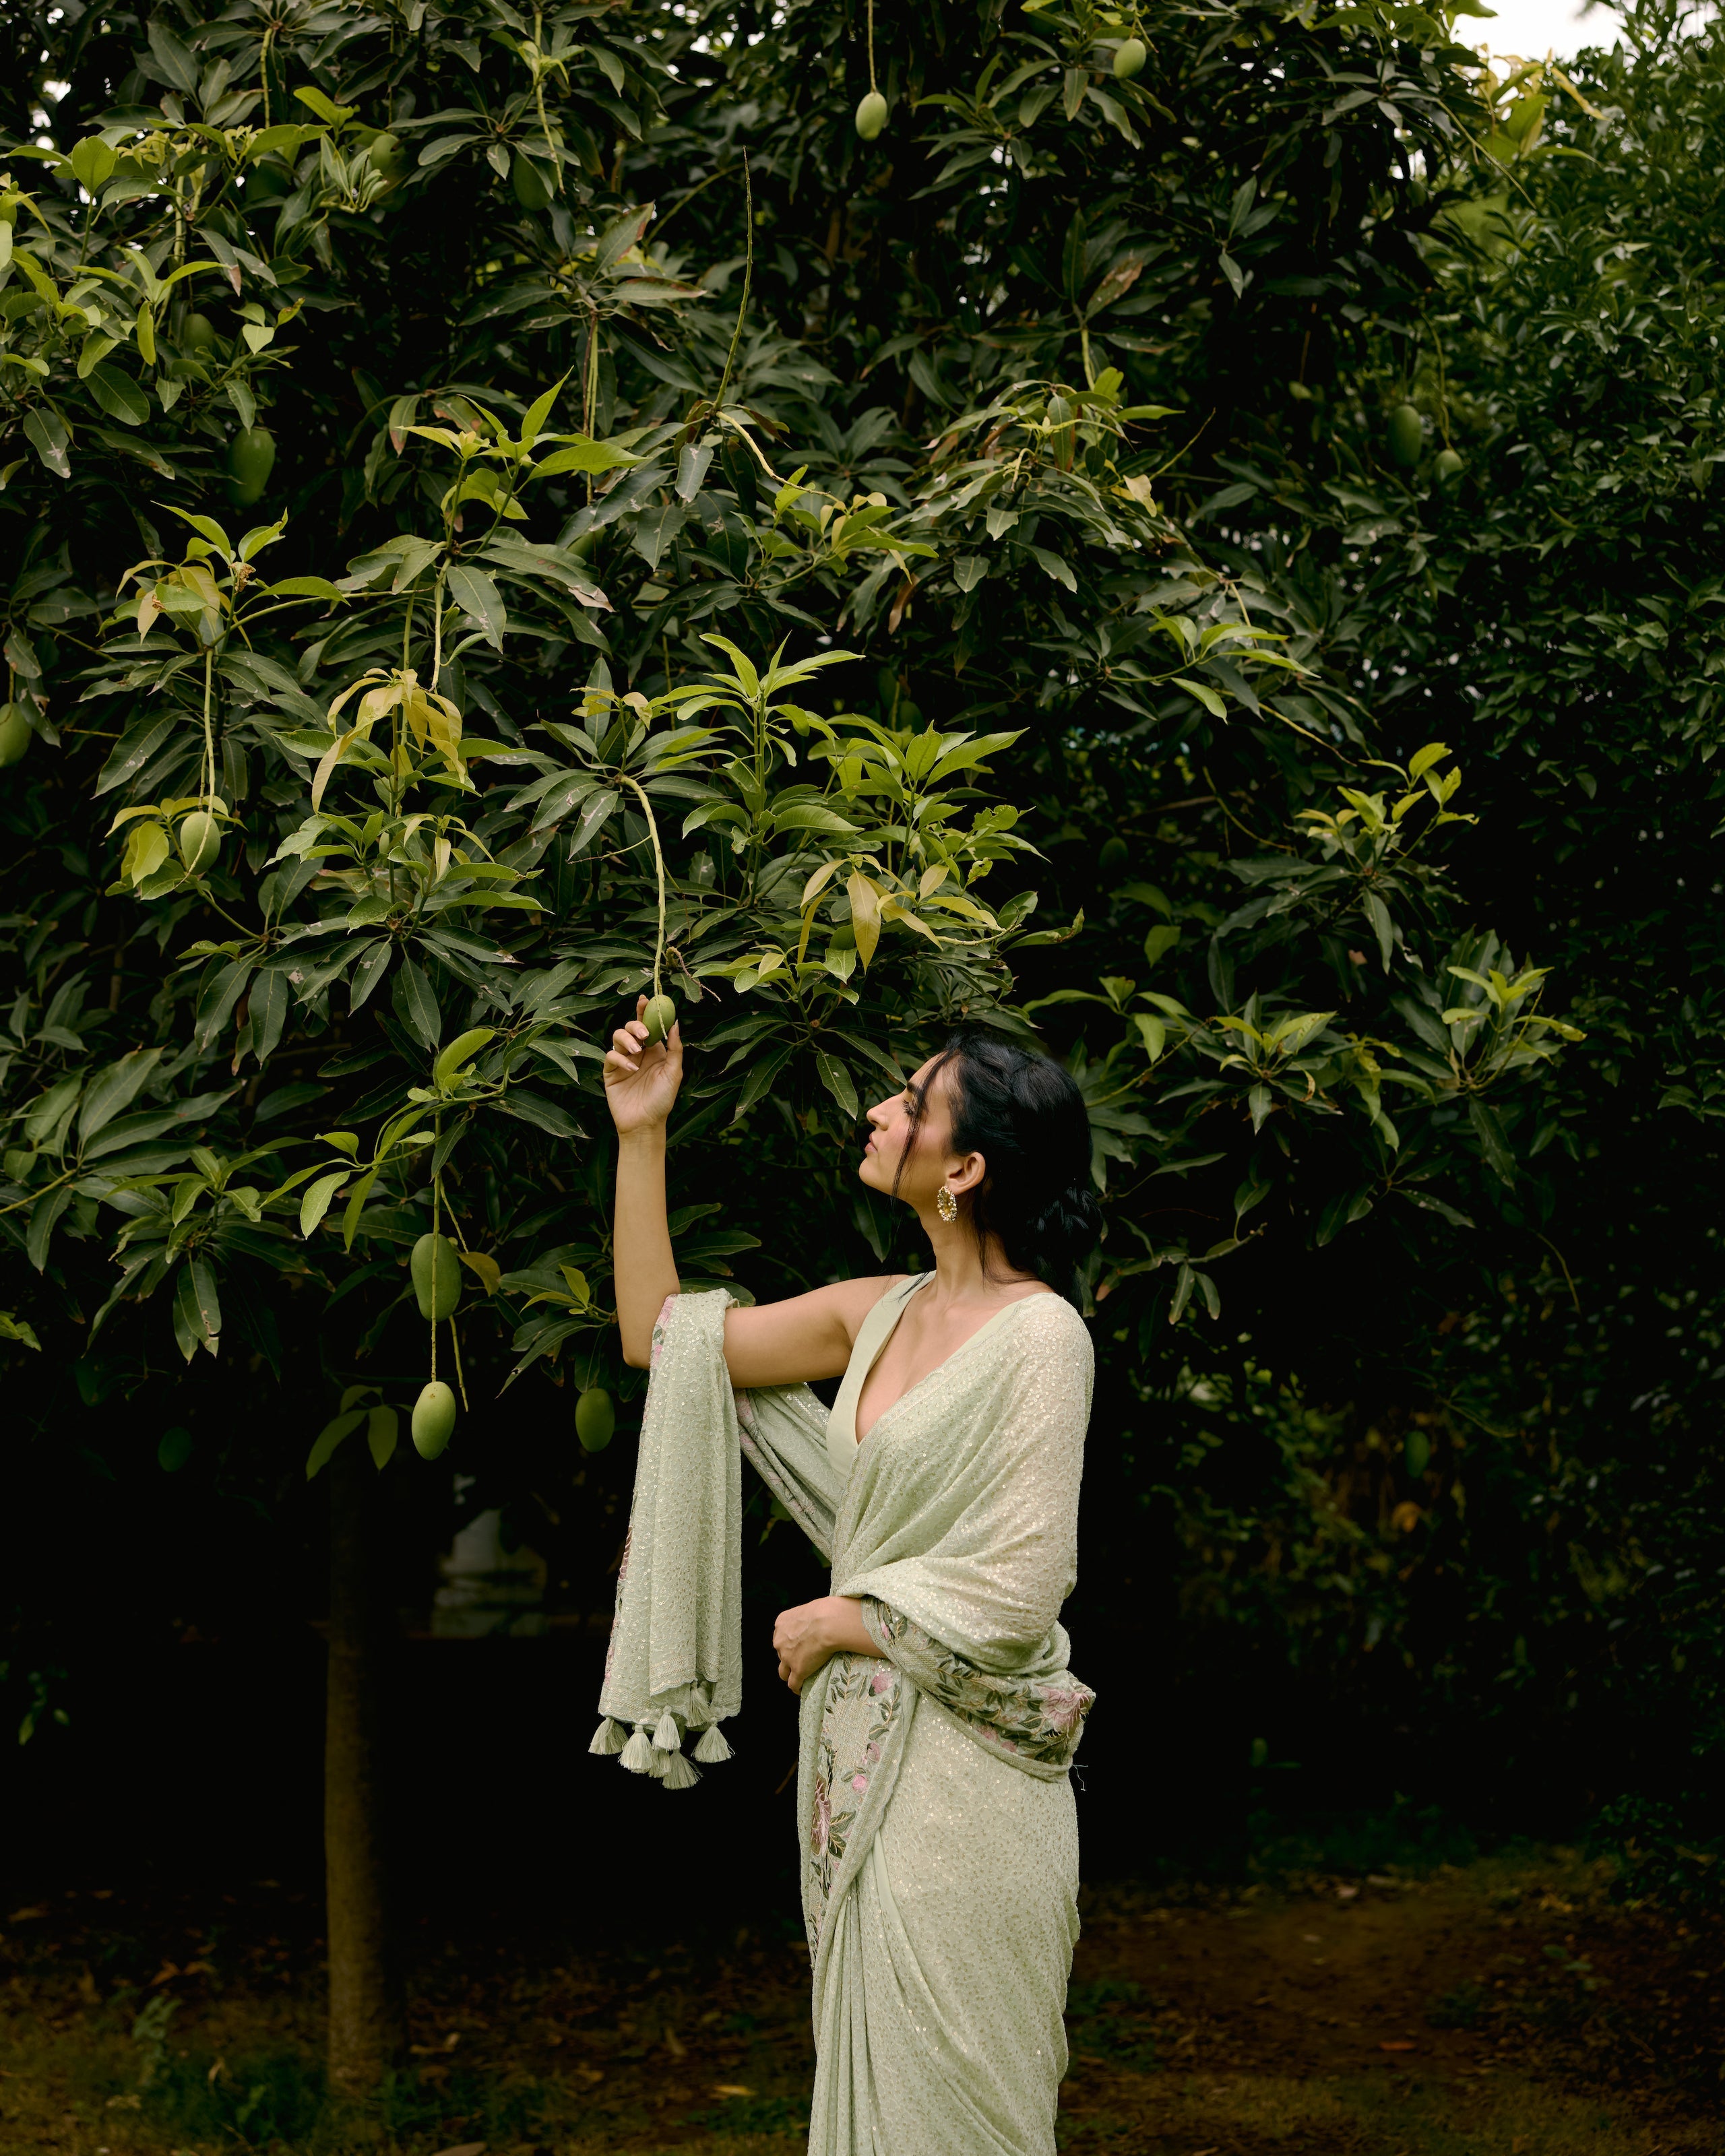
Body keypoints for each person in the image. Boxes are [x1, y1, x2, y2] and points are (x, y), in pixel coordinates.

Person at [604, 998, 1100, 2156]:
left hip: (972, 1797)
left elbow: (1023, 1587)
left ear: (964, 1169)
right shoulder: (874, 1314)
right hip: (862, 1767)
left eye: (912, 1103)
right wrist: (641, 1133)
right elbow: (660, 1342)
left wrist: (846, 1617)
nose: (879, 1111)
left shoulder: (1043, 1339)